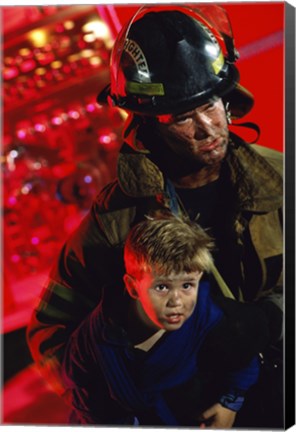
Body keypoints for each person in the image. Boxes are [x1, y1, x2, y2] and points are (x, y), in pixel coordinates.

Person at [26, 4, 283, 425]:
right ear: (148, 125)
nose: (207, 127)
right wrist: (115, 365)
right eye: (183, 117)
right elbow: (49, 338)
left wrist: (272, 318)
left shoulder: (282, 183)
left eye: (212, 104)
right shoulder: (114, 224)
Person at [61, 215, 269, 427]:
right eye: (162, 287)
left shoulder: (210, 317)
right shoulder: (92, 341)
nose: (177, 301)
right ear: (133, 287)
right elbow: (84, 399)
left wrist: (229, 403)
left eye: (187, 285)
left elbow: (243, 357)